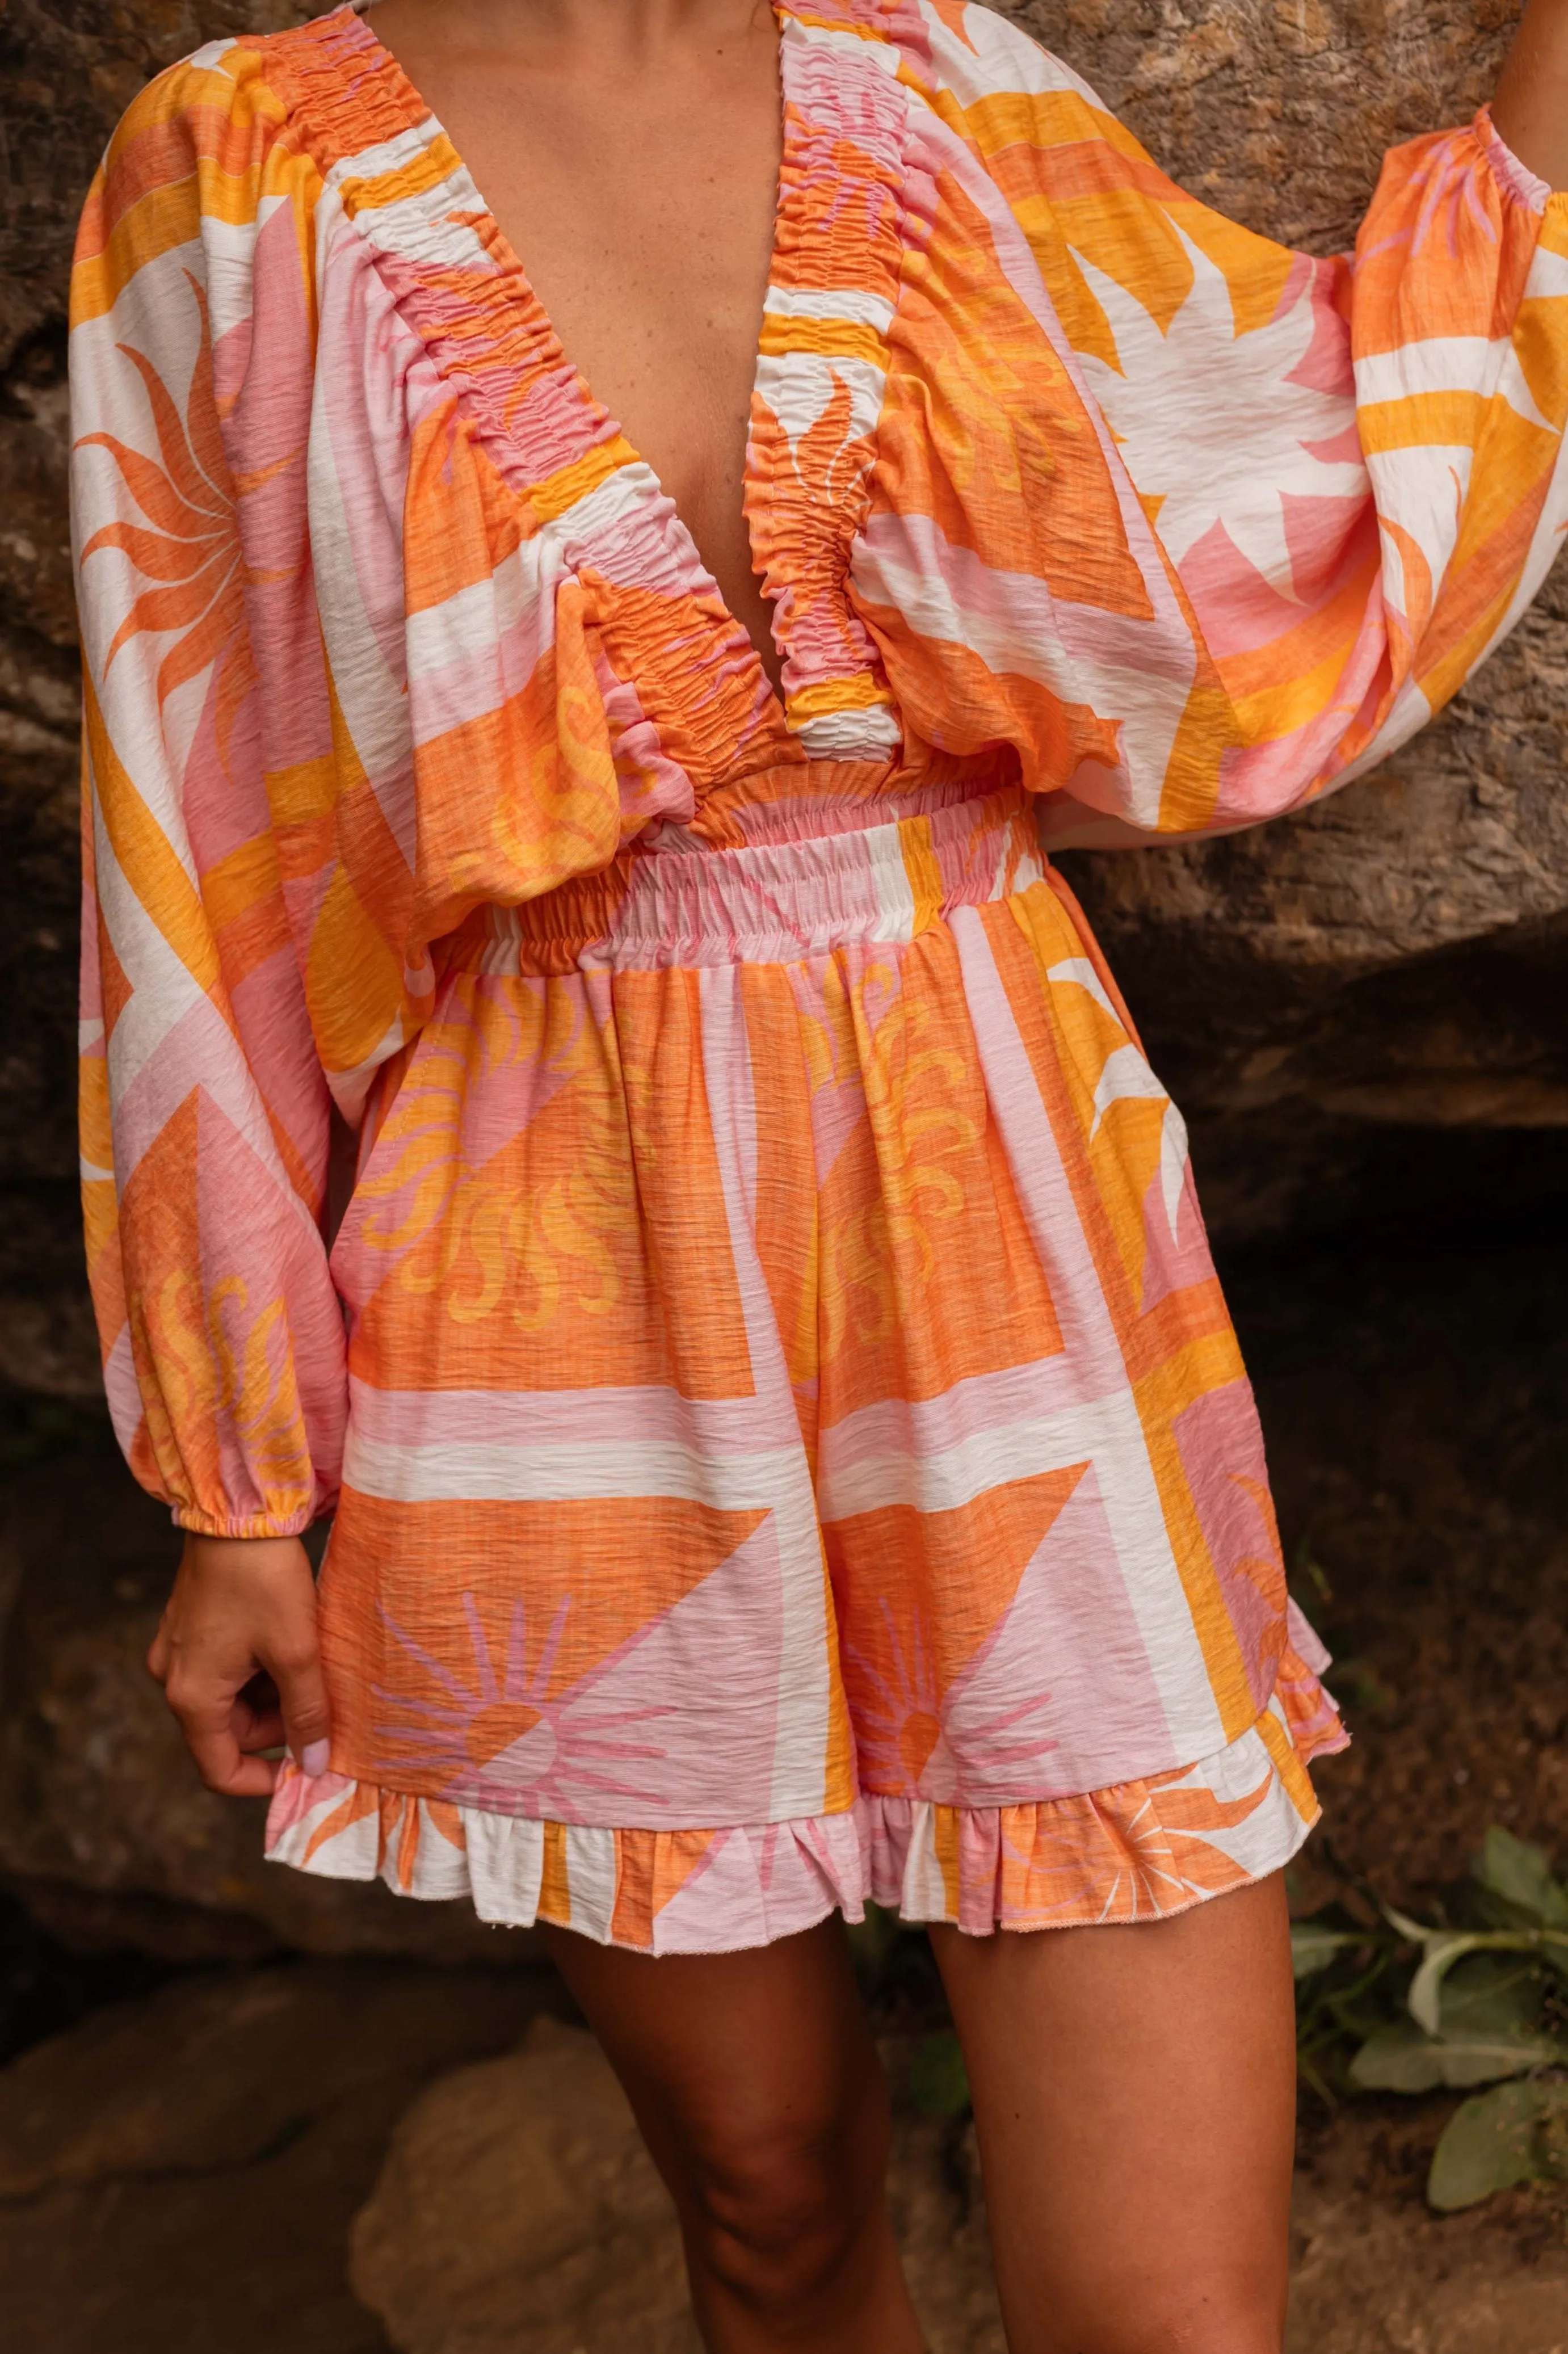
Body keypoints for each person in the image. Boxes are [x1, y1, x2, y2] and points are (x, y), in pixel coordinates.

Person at [69, 1, 1567, 2345]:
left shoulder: (932, 81)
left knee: (1173, 2317)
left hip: (997, 1189)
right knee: (772, 2205)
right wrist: (233, 1486)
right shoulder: (231, 163)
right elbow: (194, 841)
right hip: (545, 1246)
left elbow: (1278, 514)